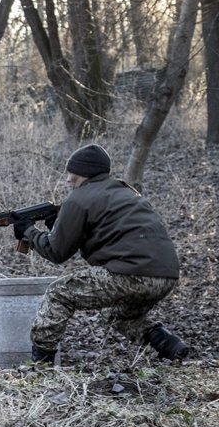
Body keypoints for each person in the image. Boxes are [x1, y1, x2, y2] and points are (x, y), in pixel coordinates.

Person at [12, 143, 188, 363]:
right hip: (165, 277)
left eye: (73, 174)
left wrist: (28, 232)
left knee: (59, 294)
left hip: (131, 274)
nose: (68, 179)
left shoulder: (78, 199)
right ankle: (170, 345)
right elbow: (108, 233)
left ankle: (40, 364)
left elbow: (57, 253)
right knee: (117, 315)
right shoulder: (126, 192)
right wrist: (57, 226)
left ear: (85, 174)